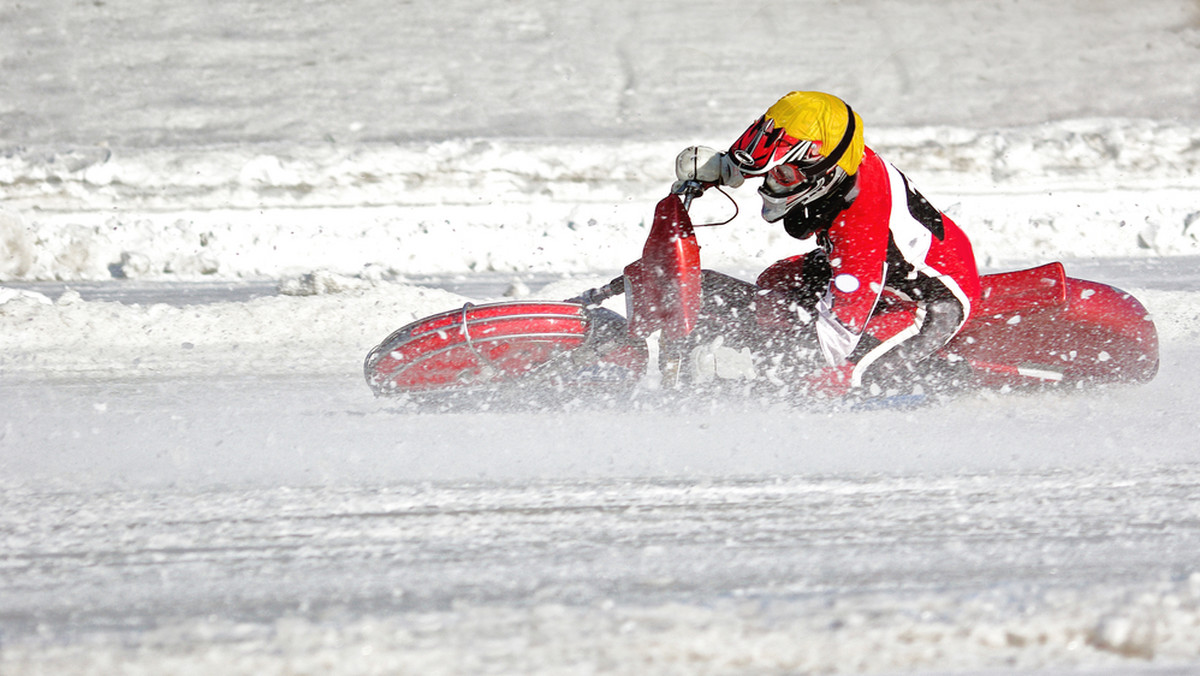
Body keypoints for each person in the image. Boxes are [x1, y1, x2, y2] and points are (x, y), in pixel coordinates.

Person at [675, 91, 981, 397]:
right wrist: (723, 170)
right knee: (775, 282)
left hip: (932, 299)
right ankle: (765, 355)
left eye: (781, 174)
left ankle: (943, 380)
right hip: (884, 268)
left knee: (841, 381)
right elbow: (775, 153)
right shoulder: (840, 154)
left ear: (823, 175)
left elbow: (843, 324)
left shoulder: (859, 229)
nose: (769, 183)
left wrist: (786, 372)